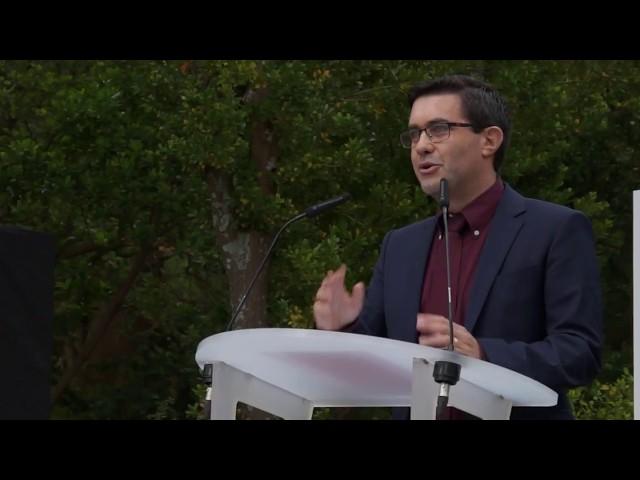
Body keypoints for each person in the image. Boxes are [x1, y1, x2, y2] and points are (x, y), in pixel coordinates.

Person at [312, 75, 603, 420]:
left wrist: (483, 354)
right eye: (414, 134)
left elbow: (580, 352)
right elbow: (375, 364)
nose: (421, 146)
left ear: (489, 140)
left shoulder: (554, 229)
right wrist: (344, 332)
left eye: (438, 129)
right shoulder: (400, 246)